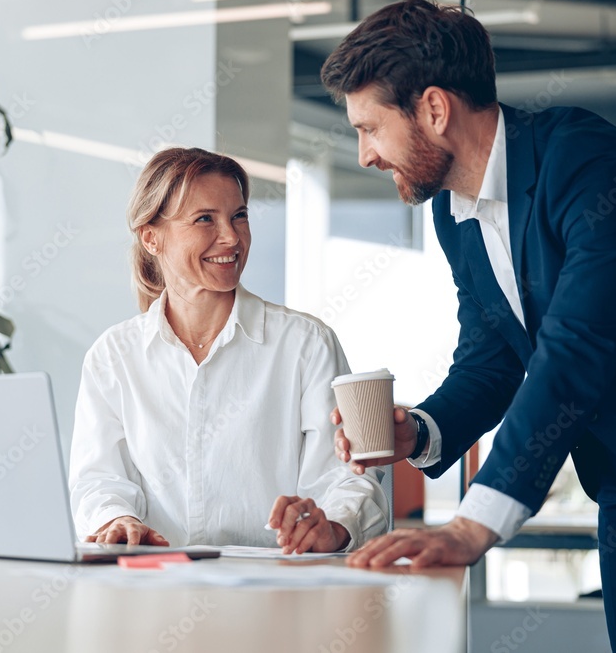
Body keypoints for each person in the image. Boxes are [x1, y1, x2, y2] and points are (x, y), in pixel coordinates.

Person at [321, 0, 616, 653]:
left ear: (433, 109)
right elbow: (491, 358)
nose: (365, 154)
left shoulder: (594, 165)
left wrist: (472, 525)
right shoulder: (454, 209)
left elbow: (577, 350)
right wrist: (420, 430)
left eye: (370, 127)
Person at [69, 147, 388, 554]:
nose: (232, 237)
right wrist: (116, 518)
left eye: (239, 216)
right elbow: (98, 480)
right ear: (151, 238)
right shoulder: (113, 356)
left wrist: (333, 526)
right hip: (154, 590)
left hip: (278, 589)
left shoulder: (305, 344)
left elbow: (350, 476)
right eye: (205, 219)